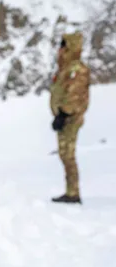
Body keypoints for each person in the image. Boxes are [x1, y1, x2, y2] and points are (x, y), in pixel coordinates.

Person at [49, 30, 90, 203]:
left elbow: (75, 95)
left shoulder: (77, 69)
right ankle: (70, 190)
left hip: (70, 118)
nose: (60, 50)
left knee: (68, 154)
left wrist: (64, 114)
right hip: (64, 117)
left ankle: (73, 193)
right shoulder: (65, 68)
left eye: (63, 46)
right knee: (64, 154)